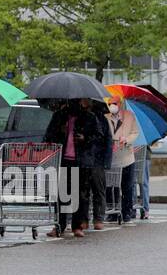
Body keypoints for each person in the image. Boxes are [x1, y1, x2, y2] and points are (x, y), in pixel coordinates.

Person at [43, 99, 101, 237]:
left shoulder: (89, 117)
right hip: (63, 160)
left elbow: (98, 137)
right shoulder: (59, 116)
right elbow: (48, 137)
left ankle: (77, 225)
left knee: (79, 195)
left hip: (81, 161)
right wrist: (59, 131)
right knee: (62, 194)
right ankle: (60, 226)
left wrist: (84, 138)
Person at [107, 95, 138, 223]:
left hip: (127, 156)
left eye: (114, 103)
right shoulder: (105, 118)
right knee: (110, 186)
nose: (112, 106)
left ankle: (127, 212)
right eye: (109, 104)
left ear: (120, 104)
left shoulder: (129, 116)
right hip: (112, 158)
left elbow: (135, 132)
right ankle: (112, 211)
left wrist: (126, 140)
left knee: (127, 186)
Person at [89, 103, 112, 228]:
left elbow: (107, 140)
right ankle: (84, 219)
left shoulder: (100, 118)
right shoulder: (80, 116)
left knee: (98, 190)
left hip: (96, 161)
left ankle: (98, 218)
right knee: (83, 192)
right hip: (84, 159)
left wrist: (106, 162)